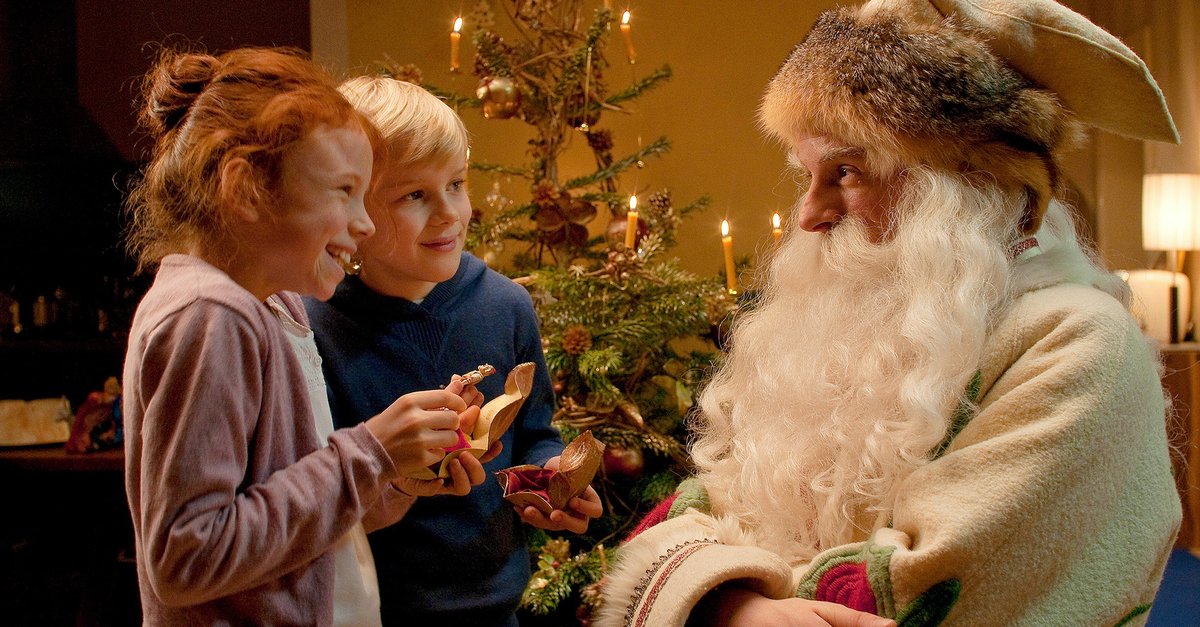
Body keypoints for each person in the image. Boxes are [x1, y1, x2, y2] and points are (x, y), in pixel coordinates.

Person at [597, 0, 1182, 625]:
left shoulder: (1080, 341)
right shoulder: (861, 333)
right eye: (808, 174)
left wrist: (716, 592)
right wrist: (728, 605)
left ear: (960, 182)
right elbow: (701, 509)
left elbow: (924, 588)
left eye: (845, 171)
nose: (808, 214)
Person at [122, 47, 482, 625]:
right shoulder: (210, 316)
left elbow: (284, 525)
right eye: (343, 191)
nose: (363, 224)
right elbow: (186, 556)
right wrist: (370, 453)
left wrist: (393, 478)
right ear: (246, 192)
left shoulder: (276, 307)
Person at [304, 75, 604, 626]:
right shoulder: (316, 325)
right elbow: (322, 490)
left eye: (457, 184)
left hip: (497, 607)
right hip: (376, 611)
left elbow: (535, 433)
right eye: (415, 194)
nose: (449, 213)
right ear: (355, 210)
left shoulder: (506, 305)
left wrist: (549, 479)